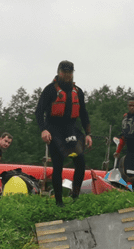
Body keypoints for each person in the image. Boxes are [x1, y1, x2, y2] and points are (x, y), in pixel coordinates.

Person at [35, 60, 93, 206]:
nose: (67, 75)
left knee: (80, 162)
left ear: (72, 73)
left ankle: (75, 195)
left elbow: (84, 113)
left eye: (69, 73)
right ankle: (59, 202)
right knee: (58, 164)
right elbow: (38, 111)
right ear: (59, 72)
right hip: (53, 128)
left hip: (71, 128)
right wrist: (43, 129)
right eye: (64, 72)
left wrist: (88, 133)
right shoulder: (50, 90)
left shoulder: (78, 91)